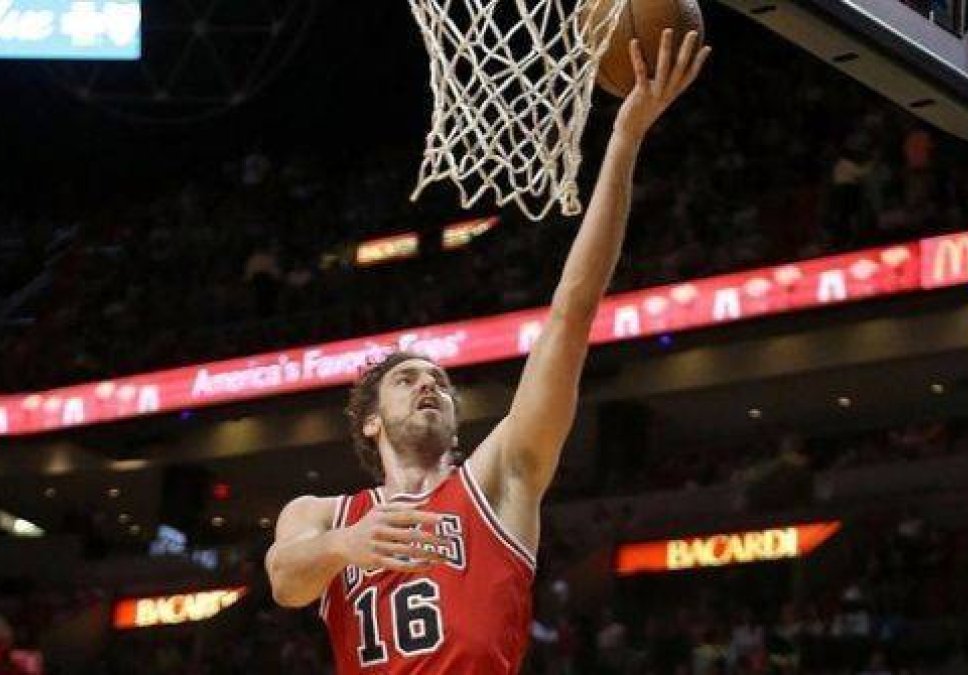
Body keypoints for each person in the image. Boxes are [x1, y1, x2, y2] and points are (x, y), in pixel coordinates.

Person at [266, 29, 711, 673]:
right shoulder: (320, 513)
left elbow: (572, 309)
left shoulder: (501, 476)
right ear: (369, 420)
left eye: (440, 382)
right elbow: (285, 579)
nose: (430, 386)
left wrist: (625, 138)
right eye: (409, 379)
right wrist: (347, 544)